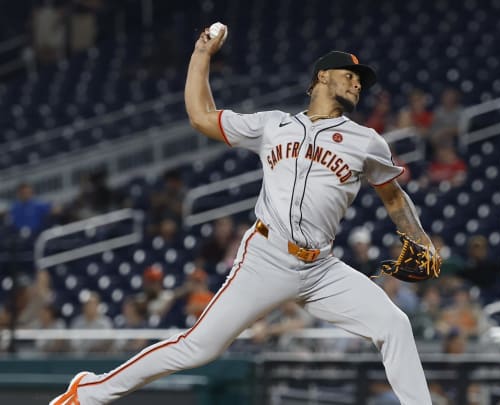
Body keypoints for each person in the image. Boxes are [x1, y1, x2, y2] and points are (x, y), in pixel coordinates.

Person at [51, 27, 437, 405]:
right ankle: (88, 392)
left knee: (394, 324)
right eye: (350, 75)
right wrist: (201, 55)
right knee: (198, 348)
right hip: (266, 258)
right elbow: (202, 117)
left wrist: (420, 239)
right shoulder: (273, 125)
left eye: (360, 81)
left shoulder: (366, 141)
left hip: (321, 268)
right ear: (322, 76)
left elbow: (393, 197)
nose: (357, 84)